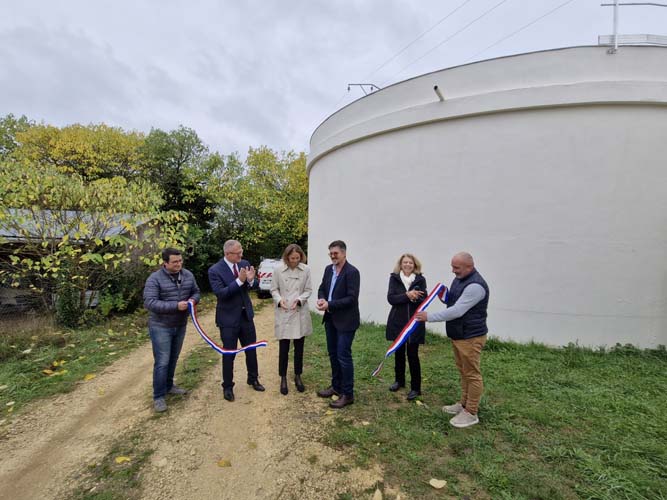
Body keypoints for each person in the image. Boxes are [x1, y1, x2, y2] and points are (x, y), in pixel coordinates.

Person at [416, 252, 489, 428]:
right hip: (459, 335)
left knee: (472, 374)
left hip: (471, 336)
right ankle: (463, 404)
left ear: (469, 267)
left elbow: (457, 311)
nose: (452, 271)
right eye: (452, 266)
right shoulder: (460, 279)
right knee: (463, 371)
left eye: (456, 268)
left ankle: (471, 412)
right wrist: (444, 294)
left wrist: (429, 317)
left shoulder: (475, 286)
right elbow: (453, 301)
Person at [143, 248, 201, 413]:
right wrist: (175, 306)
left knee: (173, 358)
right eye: (175, 262)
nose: (179, 264)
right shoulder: (154, 279)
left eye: (180, 261)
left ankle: (169, 386)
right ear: (165, 263)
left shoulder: (188, 275)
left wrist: (192, 300)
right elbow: (150, 302)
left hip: (180, 324)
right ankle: (158, 396)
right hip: (160, 326)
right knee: (162, 361)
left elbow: (196, 292)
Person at [208, 239, 265, 402]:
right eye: (238, 253)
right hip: (228, 319)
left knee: (251, 350)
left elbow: (252, 286)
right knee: (229, 353)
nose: (242, 254)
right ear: (227, 254)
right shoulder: (215, 270)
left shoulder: (244, 263)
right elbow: (221, 294)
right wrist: (239, 281)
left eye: (241, 251)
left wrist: (251, 281)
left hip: (246, 316)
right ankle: (227, 386)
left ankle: (253, 378)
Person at [316, 240, 360, 409]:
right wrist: (321, 298)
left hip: (346, 321)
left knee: (343, 355)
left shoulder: (352, 272)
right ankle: (336, 386)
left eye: (336, 253)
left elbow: (351, 298)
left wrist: (330, 304)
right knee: (333, 354)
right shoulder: (329, 269)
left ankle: (348, 394)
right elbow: (322, 288)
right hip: (330, 319)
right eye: (331, 253)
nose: (333, 256)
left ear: (344, 253)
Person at [270, 244, 313, 395]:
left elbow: (308, 290)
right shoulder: (278, 270)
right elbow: (273, 288)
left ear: (301, 256)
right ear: (286, 257)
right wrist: (279, 299)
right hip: (284, 311)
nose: (295, 261)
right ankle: (282, 377)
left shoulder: (306, 270)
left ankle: (298, 375)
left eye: (297, 258)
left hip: (299, 311)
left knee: (299, 348)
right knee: (284, 348)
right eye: (292, 258)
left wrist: (300, 299)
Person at [385, 253, 427, 401]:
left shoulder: (420, 279)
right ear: (400, 264)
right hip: (398, 322)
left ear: (414, 265)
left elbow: (424, 298)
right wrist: (407, 295)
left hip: (414, 323)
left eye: (410, 263)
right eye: (405, 262)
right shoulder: (394, 278)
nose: (408, 265)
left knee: (413, 355)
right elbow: (391, 298)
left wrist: (416, 297)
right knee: (399, 353)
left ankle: (416, 388)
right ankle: (399, 381)